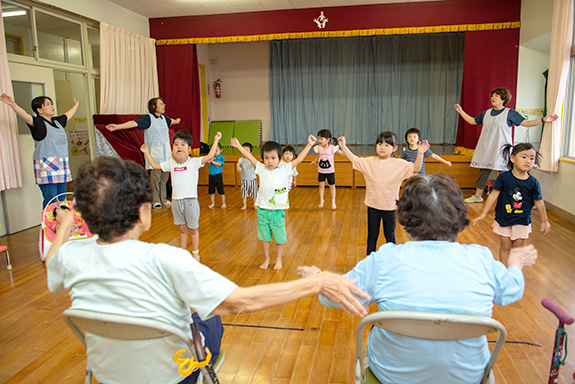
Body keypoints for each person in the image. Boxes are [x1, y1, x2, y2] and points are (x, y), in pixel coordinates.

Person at [45, 156, 369, 384]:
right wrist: (318, 282)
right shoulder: (165, 258)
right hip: (171, 376)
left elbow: (54, 277)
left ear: (85, 216)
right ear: (144, 214)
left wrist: (64, 228)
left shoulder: (71, 255)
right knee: (206, 311)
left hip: (108, 374)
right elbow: (238, 302)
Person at [298, 173, 538, 384]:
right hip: (466, 377)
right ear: (459, 216)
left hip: (392, 376)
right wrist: (515, 262)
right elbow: (512, 291)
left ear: (404, 218)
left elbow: (335, 298)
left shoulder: (384, 260)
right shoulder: (481, 259)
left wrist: (319, 278)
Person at [454, 87, 558, 203]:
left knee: (504, 172)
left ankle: (507, 196)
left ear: (503, 99)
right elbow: (473, 121)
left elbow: (526, 123)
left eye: (496, 96)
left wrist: (543, 120)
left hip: (502, 148)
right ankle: (478, 195)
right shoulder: (486, 113)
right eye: (492, 95)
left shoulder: (510, 113)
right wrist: (460, 111)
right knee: (484, 170)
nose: (493, 97)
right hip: (487, 147)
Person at [231, 136, 317, 270]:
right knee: (265, 238)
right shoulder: (261, 168)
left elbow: (299, 160)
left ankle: (278, 259)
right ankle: (267, 259)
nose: (269, 161)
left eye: (273, 158)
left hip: (277, 212)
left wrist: (309, 145)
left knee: (279, 238)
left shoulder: (285, 169)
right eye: (266, 158)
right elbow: (249, 156)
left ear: (280, 159)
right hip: (263, 211)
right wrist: (238, 146)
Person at [338, 132, 429, 255]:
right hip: (373, 206)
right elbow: (355, 159)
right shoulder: (369, 162)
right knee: (372, 235)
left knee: (390, 236)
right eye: (380, 144)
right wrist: (343, 146)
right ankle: (370, 259)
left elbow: (416, 168)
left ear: (394, 148)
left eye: (387, 145)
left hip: (390, 207)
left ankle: (391, 259)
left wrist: (420, 153)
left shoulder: (399, 164)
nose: (382, 147)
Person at [141, 131, 221, 262]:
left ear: (189, 149)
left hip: (190, 201)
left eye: (183, 145)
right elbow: (155, 166)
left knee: (193, 229)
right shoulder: (171, 163)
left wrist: (216, 139)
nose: (179, 147)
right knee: (182, 228)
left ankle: (195, 253)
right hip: (176, 201)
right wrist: (146, 152)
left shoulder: (194, 162)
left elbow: (209, 156)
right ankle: (183, 253)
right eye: (176, 144)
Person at [473, 143, 550, 266]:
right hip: (504, 219)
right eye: (524, 157)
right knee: (506, 246)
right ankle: (504, 272)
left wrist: (544, 220)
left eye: (531, 158)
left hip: (522, 220)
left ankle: (514, 273)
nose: (528, 161)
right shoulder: (504, 178)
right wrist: (483, 213)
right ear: (513, 158)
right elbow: (493, 196)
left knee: (517, 248)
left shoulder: (533, 183)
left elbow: (539, 202)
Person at [0, 93, 79, 208]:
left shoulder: (57, 122)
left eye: (51, 104)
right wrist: (13, 104)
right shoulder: (38, 123)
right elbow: (25, 115)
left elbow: (68, 115)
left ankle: (60, 225)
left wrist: (76, 105)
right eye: (47, 104)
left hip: (62, 166)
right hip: (47, 168)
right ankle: (47, 225)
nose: (51, 106)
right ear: (39, 110)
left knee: (62, 198)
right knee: (51, 199)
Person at [106, 97, 181, 208]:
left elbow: (173, 121)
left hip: (166, 153)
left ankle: (163, 198)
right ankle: (156, 200)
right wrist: (118, 126)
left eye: (163, 103)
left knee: (164, 177)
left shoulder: (164, 119)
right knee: (156, 177)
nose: (164, 105)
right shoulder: (148, 119)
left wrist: (177, 120)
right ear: (154, 107)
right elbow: (134, 123)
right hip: (155, 153)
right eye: (161, 104)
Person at [310, 129, 343, 209]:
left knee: (332, 186)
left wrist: (349, 155)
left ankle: (333, 201)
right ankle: (321, 200)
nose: (319, 140)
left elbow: (341, 153)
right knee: (321, 185)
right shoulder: (319, 148)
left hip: (330, 171)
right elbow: (318, 155)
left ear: (328, 140)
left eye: (321, 138)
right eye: (319, 138)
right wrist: (315, 161)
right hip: (321, 170)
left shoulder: (332, 148)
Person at [236, 142, 258, 210]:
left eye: (247, 150)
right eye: (243, 150)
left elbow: (256, 164)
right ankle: (244, 205)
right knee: (244, 192)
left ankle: (255, 204)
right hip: (244, 179)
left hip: (252, 179)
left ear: (250, 152)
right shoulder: (241, 159)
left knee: (254, 192)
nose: (244, 152)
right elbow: (238, 164)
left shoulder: (251, 158)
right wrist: (238, 167)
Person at [207, 142, 226, 209]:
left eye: (216, 150)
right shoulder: (211, 157)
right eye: (213, 150)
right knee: (211, 191)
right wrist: (209, 161)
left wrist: (212, 161)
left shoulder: (221, 158)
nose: (214, 152)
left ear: (221, 150)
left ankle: (223, 203)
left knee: (221, 190)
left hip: (218, 176)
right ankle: (212, 203)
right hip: (211, 176)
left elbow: (219, 164)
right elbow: (208, 164)